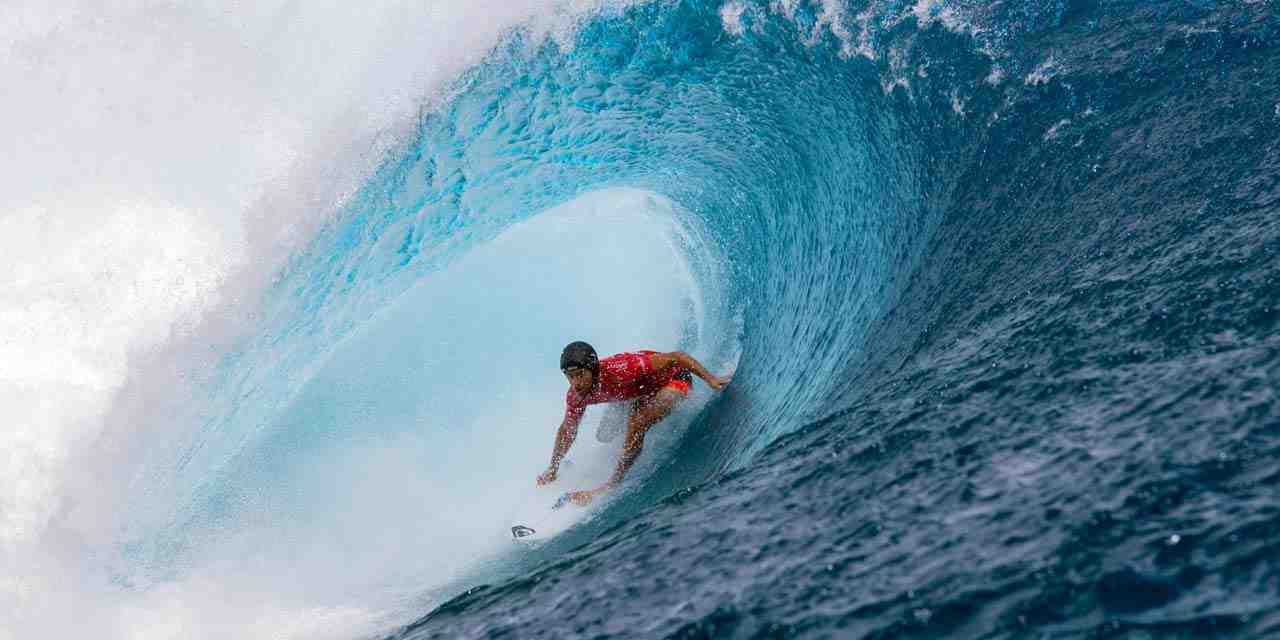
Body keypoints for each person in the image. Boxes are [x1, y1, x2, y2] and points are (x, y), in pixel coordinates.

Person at [537, 341, 731, 506]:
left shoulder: (624, 368)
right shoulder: (576, 395)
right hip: (636, 390)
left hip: (673, 379)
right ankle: (632, 435)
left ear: (593, 369)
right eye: (570, 376)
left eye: (580, 374)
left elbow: (677, 357)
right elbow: (567, 430)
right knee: (604, 435)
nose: (576, 382)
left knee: (637, 422)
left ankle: (611, 484)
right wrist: (553, 468)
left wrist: (711, 380)